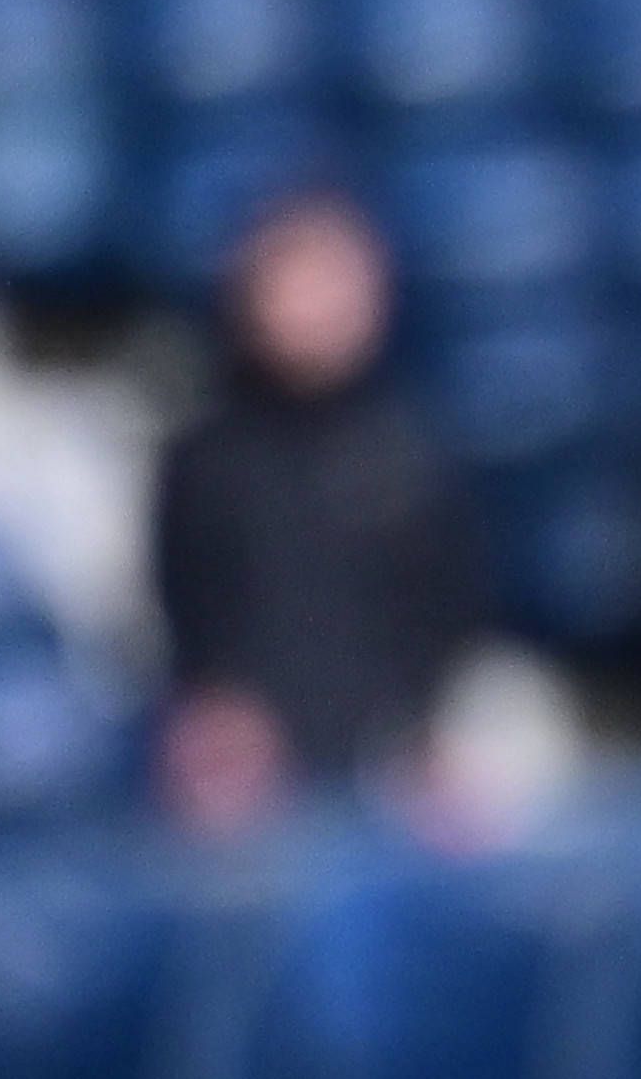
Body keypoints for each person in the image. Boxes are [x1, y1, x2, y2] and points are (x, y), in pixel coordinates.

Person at [148, 188, 494, 833]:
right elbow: (183, 620)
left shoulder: (412, 453)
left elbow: (449, 617)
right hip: (252, 769)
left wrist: (427, 739)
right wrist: (219, 726)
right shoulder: (206, 462)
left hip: (396, 752)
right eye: (296, 282)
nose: (316, 307)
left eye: (335, 282)